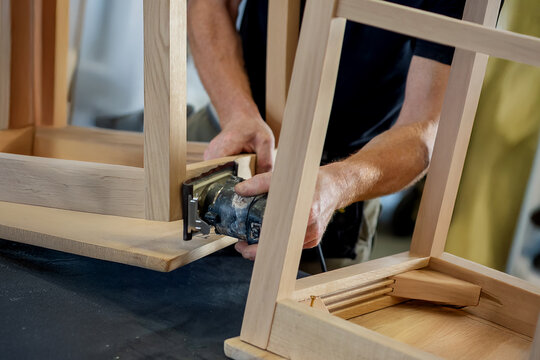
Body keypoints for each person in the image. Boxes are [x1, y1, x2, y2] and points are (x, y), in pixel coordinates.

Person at [187, 0, 466, 262]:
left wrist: (338, 186)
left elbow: (426, 129)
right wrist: (236, 111)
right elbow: (208, 5)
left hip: (344, 175)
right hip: (227, 135)